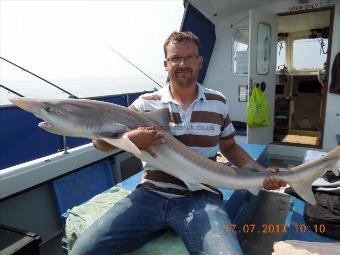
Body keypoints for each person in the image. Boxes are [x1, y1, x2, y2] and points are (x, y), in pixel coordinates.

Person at [71, 31, 286, 255]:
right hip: (151, 194)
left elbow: (229, 147)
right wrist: (129, 140)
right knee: (82, 251)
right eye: (175, 58)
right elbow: (100, 143)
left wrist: (260, 172)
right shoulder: (146, 104)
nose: (182, 64)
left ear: (199, 62)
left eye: (189, 57)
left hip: (202, 196)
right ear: (166, 64)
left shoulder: (218, 101)